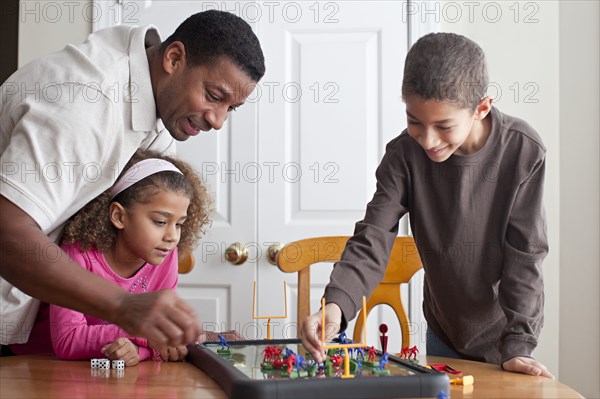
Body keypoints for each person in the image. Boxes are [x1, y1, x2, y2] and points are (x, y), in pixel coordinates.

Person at [0, 10, 265, 350]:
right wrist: (122, 306)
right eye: (214, 96)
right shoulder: (84, 105)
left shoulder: (156, 99)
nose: (218, 121)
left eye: (232, 107)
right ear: (173, 58)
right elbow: (8, 232)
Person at [300, 32, 554, 379]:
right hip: (444, 328)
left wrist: (519, 343)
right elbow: (373, 236)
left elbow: (525, 256)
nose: (428, 141)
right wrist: (336, 306)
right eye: (414, 122)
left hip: (506, 335)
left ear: (481, 108)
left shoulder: (523, 151)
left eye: (444, 126)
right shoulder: (404, 155)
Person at [11, 150, 211, 365]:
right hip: (36, 366)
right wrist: (151, 336)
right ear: (119, 216)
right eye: (160, 222)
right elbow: (67, 340)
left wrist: (140, 350)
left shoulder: (166, 257)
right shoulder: (80, 252)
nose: (172, 237)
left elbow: (156, 344)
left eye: (179, 224)